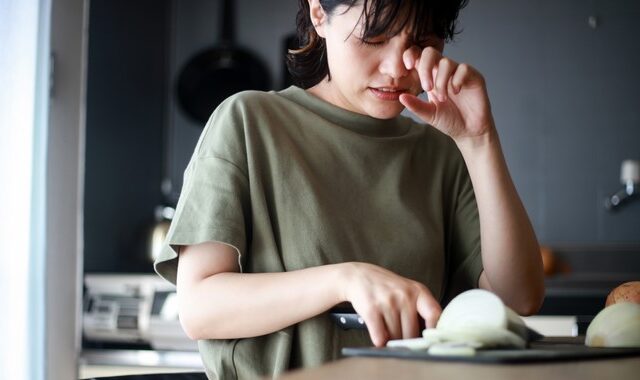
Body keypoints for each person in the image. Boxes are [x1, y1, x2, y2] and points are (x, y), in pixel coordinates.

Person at [154, 0, 545, 378]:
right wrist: (346, 280)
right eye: (374, 38)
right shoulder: (248, 122)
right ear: (319, 13)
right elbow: (198, 308)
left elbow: (519, 298)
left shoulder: (441, 151)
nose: (396, 67)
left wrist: (479, 140)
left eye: (421, 42)